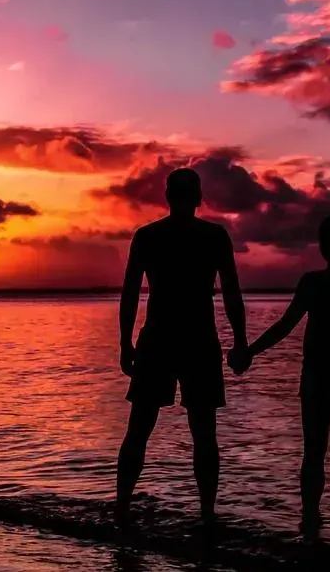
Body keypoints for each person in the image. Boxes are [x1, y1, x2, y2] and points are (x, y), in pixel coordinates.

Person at [230, 213, 330, 537]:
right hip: (329, 374)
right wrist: (250, 351)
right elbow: (287, 326)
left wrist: (248, 352)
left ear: (329, 245)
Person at [116, 167, 247, 527]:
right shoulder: (213, 237)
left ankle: (122, 509)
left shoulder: (148, 237)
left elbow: (129, 295)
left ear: (168, 196)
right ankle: (206, 516)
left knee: (140, 428)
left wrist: (125, 342)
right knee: (202, 433)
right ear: (198, 197)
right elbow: (233, 293)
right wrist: (240, 341)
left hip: (161, 337)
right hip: (194, 338)